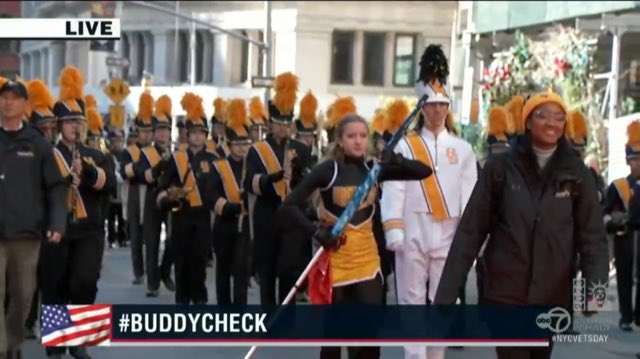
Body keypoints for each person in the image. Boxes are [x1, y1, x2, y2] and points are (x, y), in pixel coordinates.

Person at [434, 90, 610, 359]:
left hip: (552, 295)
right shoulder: (500, 169)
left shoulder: (577, 174)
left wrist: (593, 286)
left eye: (559, 118)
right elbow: (471, 230)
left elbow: (592, 236)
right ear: (528, 121)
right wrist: (447, 290)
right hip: (506, 292)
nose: (552, 123)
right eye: (542, 116)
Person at [277, 104, 433, 359]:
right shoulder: (328, 170)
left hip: (368, 264)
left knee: (368, 339)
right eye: (351, 136)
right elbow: (288, 207)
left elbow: (424, 172)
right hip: (336, 265)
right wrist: (317, 232)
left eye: (362, 135)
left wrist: (397, 160)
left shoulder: (375, 168)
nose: (358, 141)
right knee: (333, 340)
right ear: (340, 140)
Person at [380, 44, 477, 359]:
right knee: (410, 299)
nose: (437, 111)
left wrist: (469, 239)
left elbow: (470, 195)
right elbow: (394, 187)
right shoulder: (406, 146)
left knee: (442, 300)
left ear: (448, 107)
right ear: (422, 107)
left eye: (442, 105)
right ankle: (414, 355)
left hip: (448, 232)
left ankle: (435, 355)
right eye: (431, 105)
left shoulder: (463, 148)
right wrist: (393, 229)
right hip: (413, 228)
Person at [42, 66, 116, 359]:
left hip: (89, 230)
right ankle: (56, 341)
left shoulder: (96, 155)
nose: (75, 127)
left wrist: (85, 172)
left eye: (79, 122)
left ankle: (81, 340)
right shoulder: (47, 154)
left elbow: (109, 183)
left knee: (85, 282)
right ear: (59, 125)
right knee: (55, 282)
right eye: (69, 121)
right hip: (58, 228)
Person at [0, 78, 67, 359]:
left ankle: (13, 342)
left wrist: (56, 223)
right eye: (4, 97)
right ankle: (3, 349)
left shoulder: (38, 144)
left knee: (24, 296)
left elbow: (55, 186)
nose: (8, 102)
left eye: (14, 98)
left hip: (27, 235)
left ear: (25, 105)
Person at [243, 72, 312, 307]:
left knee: (289, 267)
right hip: (266, 212)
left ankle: (286, 313)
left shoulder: (301, 149)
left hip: (291, 214)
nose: (283, 128)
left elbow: (307, 183)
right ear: (270, 124)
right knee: (268, 266)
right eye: (279, 123)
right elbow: (250, 182)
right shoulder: (257, 150)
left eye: (286, 123)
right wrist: (271, 178)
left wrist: (300, 176)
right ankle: (268, 313)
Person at [156, 93, 217, 305]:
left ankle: (200, 299)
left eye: (202, 133)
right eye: (194, 133)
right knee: (181, 262)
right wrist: (167, 198)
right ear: (187, 134)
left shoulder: (214, 159)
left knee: (199, 262)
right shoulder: (176, 158)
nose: (198, 137)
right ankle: (181, 300)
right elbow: (163, 185)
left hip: (202, 218)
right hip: (181, 215)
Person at [23, 79, 59, 339]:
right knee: (30, 276)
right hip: (29, 221)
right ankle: (27, 320)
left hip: (55, 222)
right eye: (43, 128)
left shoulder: (63, 153)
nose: (48, 132)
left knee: (53, 277)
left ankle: (54, 326)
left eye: (51, 128)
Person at [132, 94, 176, 297]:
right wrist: (160, 165)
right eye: (160, 129)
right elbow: (144, 176)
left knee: (174, 239)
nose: (163, 133)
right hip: (152, 200)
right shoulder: (147, 152)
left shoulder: (176, 153)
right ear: (154, 132)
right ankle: (152, 284)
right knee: (151, 242)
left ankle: (164, 271)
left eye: (166, 129)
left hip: (170, 199)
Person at [211, 98, 253, 305]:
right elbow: (211, 195)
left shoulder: (253, 166)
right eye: (237, 144)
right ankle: (224, 311)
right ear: (228, 145)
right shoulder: (219, 166)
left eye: (245, 144)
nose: (242, 148)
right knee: (223, 271)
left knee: (241, 272)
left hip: (245, 226)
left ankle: (239, 315)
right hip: (224, 224)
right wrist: (228, 207)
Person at [475, 105, 512, 304]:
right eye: (496, 149)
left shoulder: (515, 169)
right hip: (486, 232)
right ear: (489, 149)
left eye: (503, 149)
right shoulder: (480, 167)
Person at [120, 93, 155, 285]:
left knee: (151, 237)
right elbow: (125, 172)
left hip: (150, 194)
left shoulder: (157, 149)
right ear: (137, 132)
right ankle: (138, 272)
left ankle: (151, 271)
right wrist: (140, 170)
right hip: (134, 194)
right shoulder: (129, 151)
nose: (147, 135)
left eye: (150, 131)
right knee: (136, 236)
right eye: (143, 131)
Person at [613, 120, 640, 331]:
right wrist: (617, 219)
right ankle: (625, 315)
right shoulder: (618, 186)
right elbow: (604, 214)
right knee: (623, 278)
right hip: (625, 238)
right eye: (634, 160)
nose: (638, 164)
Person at [106, 127, 127, 248]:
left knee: (122, 217)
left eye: (120, 140)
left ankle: (122, 238)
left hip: (123, 189)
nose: (117, 143)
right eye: (115, 140)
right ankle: (111, 239)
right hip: (112, 189)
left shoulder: (125, 154)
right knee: (111, 218)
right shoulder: (108, 156)